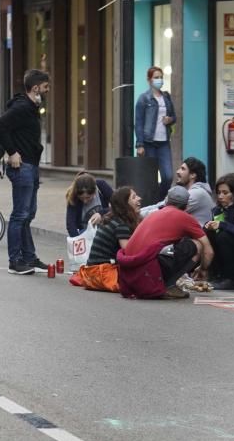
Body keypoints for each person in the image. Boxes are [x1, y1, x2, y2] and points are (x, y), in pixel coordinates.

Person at [0, 69, 51, 275]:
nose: (47, 91)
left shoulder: (31, 107)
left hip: (31, 166)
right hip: (22, 166)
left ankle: (29, 257)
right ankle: (15, 261)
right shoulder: (21, 107)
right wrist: (12, 152)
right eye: (45, 87)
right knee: (20, 215)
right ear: (35, 88)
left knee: (28, 214)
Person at [121, 185, 213, 299]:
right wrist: (203, 269)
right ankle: (169, 285)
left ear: (167, 201)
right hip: (146, 268)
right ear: (187, 205)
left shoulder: (152, 214)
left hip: (127, 271)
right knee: (198, 245)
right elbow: (208, 251)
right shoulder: (186, 218)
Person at [135, 66, 177, 199]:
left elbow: (174, 117)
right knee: (150, 177)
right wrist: (140, 144)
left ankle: (160, 200)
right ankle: (153, 203)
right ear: (149, 80)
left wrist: (169, 119)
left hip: (164, 142)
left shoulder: (166, 97)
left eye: (161, 77)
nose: (159, 80)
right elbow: (139, 122)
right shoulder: (143, 99)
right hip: (149, 143)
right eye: (156, 77)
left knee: (168, 176)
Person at [85, 186, 142, 266]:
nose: (139, 198)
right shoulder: (121, 224)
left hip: (97, 269)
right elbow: (129, 252)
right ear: (124, 204)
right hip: (101, 273)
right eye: (134, 197)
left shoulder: (114, 218)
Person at [65, 172, 113, 237]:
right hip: (86, 232)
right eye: (81, 198)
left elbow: (119, 206)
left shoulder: (101, 186)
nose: (85, 201)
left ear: (94, 191)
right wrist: (77, 240)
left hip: (106, 228)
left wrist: (101, 213)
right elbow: (70, 224)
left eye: (88, 197)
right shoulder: (73, 196)